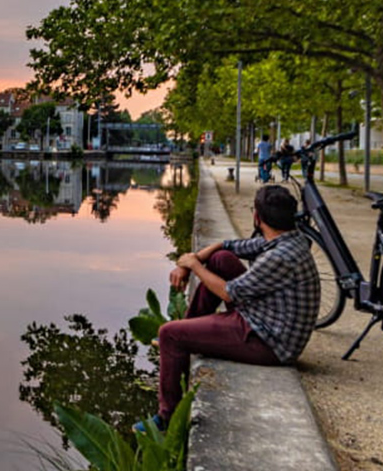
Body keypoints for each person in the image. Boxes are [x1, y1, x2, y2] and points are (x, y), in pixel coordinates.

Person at [135, 185, 320, 433]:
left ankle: (167, 419)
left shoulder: (279, 257)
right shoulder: (287, 238)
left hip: (269, 341)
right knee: (220, 259)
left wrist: (193, 265)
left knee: (169, 333)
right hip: (265, 315)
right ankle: (188, 333)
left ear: (257, 217)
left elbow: (227, 292)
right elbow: (229, 246)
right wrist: (195, 260)